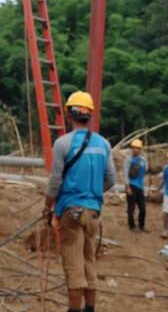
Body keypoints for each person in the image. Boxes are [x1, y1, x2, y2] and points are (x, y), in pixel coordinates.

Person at [46, 91, 116, 312]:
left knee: (73, 265)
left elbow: (55, 181)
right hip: (93, 211)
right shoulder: (103, 144)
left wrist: (48, 205)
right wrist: (94, 192)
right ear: (90, 115)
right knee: (89, 260)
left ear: (69, 114)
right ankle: (90, 308)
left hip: (71, 212)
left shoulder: (62, 144)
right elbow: (111, 179)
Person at [125, 138, 148, 232]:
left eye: (137, 148)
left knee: (143, 208)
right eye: (133, 148)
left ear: (140, 149)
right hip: (131, 186)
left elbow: (146, 171)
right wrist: (127, 187)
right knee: (131, 208)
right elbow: (126, 173)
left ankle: (141, 225)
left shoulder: (143, 160)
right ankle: (132, 226)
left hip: (140, 187)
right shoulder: (128, 160)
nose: (135, 150)